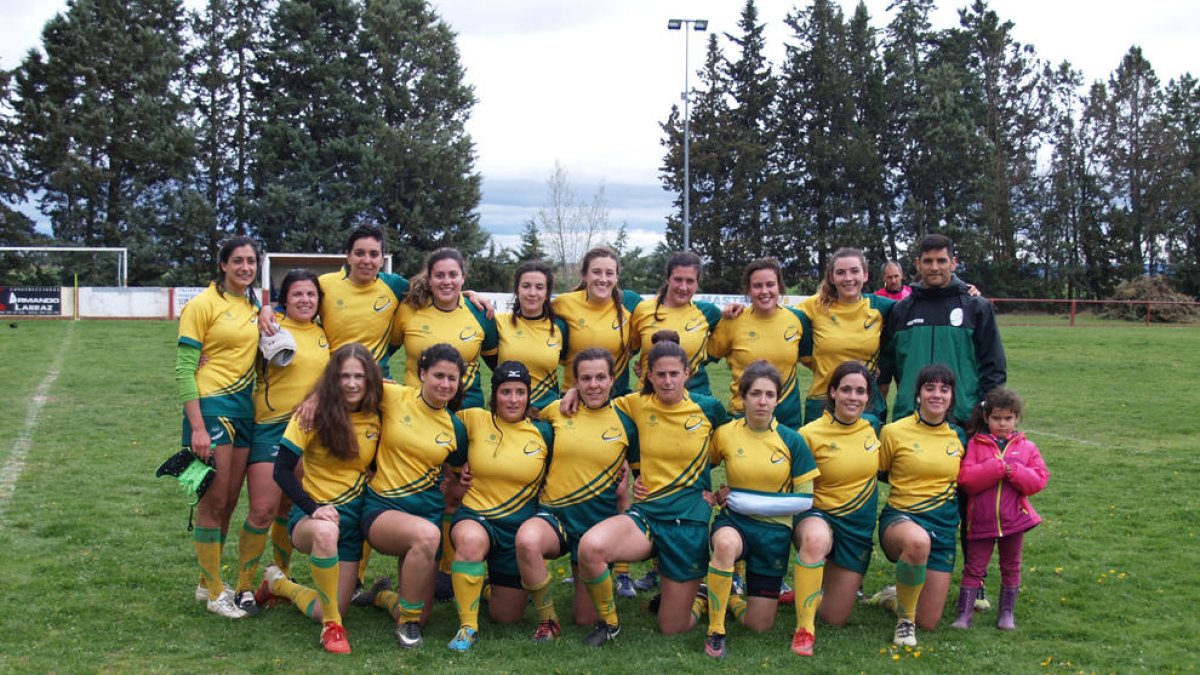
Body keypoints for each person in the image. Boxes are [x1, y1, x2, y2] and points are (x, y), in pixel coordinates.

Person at [575, 331, 728, 646]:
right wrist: (571, 394)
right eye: (661, 374)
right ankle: (610, 624)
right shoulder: (636, 403)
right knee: (591, 547)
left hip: (689, 520)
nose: (668, 381)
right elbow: (596, 396)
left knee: (672, 627)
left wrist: (724, 491)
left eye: (675, 373)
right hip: (647, 512)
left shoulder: (709, 408)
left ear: (688, 373)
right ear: (648, 375)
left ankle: (698, 597)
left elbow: (737, 446)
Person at [257, 344, 383, 653]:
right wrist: (314, 509)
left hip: (353, 525)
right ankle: (332, 629)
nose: (352, 383)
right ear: (332, 379)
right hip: (313, 520)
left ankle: (278, 584)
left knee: (325, 606)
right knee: (327, 534)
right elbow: (282, 471)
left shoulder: (379, 412)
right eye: (343, 376)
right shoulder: (309, 414)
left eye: (359, 376)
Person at [515, 349, 637, 643]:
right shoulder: (557, 409)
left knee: (585, 619)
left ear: (612, 379)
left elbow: (641, 474)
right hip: (555, 516)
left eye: (600, 377)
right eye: (585, 379)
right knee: (527, 541)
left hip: (596, 524)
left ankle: (598, 583)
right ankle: (548, 620)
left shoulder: (627, 420)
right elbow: (516, 412)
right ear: (576, 382)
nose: (594, 385)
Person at [355, 344, 470, 649]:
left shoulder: (455, 428)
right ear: (422, 374)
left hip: (426, 517)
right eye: (438, 376)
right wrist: (313, 400)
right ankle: (407, 625)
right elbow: (344, 381)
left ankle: (381, 595)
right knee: (428, 537)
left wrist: (454, 484)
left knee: (424, 614)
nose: (445, 384)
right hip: (383, 511)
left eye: (452, 378)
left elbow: (456, 473)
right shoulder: (393, 395)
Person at [703, 361, 819, 659]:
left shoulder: (793, 441)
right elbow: (701, 466)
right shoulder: (726, 433)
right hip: (735, 524)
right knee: (725, 544)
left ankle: (728, 597)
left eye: (769, 394)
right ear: (743, 397)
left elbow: (805, 500)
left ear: (777, 399)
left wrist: (742, 498)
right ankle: (715, 631)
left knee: (759, 625)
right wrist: (711, 494)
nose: (762, 401)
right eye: (755, 394)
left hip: (774, 533)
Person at [176, 236, 262, 619]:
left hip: (246, 410)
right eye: (238, 261)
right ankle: (214, 592)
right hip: (211, 411)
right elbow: (183, 369)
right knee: (213, 501)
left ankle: (204, 581)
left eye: (251, 261)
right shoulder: (201, 305)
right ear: (223, 265)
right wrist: (196, 427)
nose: (245, 267)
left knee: (228, 501)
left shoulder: (255, 305)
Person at [447, 361, 553, 652]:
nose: (514, 399)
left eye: (520, 392)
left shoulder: (544, 432)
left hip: (517, 530)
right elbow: (431, 425)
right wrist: (452, 479)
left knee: (506, 617)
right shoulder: (472, 419)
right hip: (477, 516)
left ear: (529, 395)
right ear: (494, 395)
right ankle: (467, 627)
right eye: (506, 392)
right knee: (469, 540)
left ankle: (482, 586)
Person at [790, 361, 883, 657]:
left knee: (834, 617)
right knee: (816, 539)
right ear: (832, 392)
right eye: (845, 390)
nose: (852, 397)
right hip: (817, 516)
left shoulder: (876, 429)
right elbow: (784, 480)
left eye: (860, 391)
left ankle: (807, 590)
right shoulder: (808, 434)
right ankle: (804, 630)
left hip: (856, 526)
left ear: (868, 396)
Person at [248, 269, 330, 603]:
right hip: (270, 427)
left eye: (311, 294)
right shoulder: (269, 326)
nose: (306, 300)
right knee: (262, 510)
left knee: (288, 504)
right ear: (285, 298)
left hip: (308, 432)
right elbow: (233, 352)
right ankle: (242, 585)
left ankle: (279, 575)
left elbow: (335, 375)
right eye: (298, 294)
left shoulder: (325, 333)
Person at [876, 364, 967, 648]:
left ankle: (895, 596)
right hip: (901, 520)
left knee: (928, 621)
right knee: (918, 541)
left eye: (944, 389)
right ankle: (904, 623)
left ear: (952, 396)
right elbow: (879, 473)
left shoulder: (959, 436)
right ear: (918, 395)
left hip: (943, 527)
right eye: (930, 388)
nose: (936, 395)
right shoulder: (893, 432)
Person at [878, 233, 1006, 424]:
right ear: (918, 264)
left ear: (953, 263)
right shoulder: (900, 311)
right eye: (928, 261)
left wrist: (984, 412)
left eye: (941, 261)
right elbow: (884, 371)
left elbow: (994, 368)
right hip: (909, 421)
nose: (934, 267)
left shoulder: (976, 307)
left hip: (962, 420)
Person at [952, 388, 1049, 631]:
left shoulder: (1027, 448)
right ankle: (964, 615)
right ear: (986, 418)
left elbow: (1038, 480)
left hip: (1014, 521)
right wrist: (995, 468)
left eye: (1008, 418)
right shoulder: (976, 444)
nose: (1002, 424)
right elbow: (966, 479)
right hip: (982, 521)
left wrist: (1014, 472)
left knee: (1011, 566)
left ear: (1016, 418)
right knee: (974, 567)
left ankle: (1007, 614)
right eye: (996, 418)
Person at [797, 248, 894, 424]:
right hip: (822, 401)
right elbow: (776, 314)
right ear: (832, 278)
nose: (848, 278)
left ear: (865, 275)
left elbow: (915, 307)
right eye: (840, 272)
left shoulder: (880, 306)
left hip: (865, 402)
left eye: (854, 271)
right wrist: (738, 311)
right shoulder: (815, 305)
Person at [392, 248, 497, 410]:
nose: (446, 281)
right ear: (429, 280)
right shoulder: (409, 309)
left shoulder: (481, 313)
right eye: (439, 275)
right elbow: (383, 354)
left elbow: (498, 367)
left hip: (465, 410)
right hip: (416, 409)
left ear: (463, 278)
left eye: (453, 275)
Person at [707, 257, 806, 428]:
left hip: (786, 417)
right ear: (748, 290)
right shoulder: (733, 321)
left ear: (780, 287)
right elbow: (702, 357)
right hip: (742, 415)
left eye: (770, 284)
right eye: (757, 286)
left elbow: (814, 360)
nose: (764, 291)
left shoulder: (797, 320)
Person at [552, 246, 643, 396]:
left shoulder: (630, 302)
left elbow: (656, 324)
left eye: (609, 273)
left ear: (616, 277)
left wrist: (649, 365)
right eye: (596, 272)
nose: (603, 279)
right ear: (584, 275)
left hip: (616, 400)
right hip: (573, 400)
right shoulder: (564, 303)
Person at [629, 251, 722, 395]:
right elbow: (627, 351)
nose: (683, 287)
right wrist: (644, 366)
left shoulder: (709, 313)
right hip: (648, 399)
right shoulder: (643, 309)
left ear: (697, 282)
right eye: (678, 279)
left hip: (693, 398)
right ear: (668, 279)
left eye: (690, 281)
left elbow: (731, 340)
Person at [487, 260, 567, 410]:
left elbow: (571, 365)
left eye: (539, 287)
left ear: (547, 293)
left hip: (546, 412)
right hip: (507, 411)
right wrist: (469, 293)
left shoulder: (559, 327)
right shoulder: (498, 323)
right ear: (517, 290)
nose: (532, 293)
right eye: (526, 286)